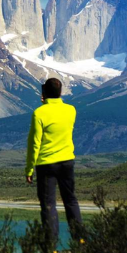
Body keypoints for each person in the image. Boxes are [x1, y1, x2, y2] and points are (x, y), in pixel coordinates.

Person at [25, 78, 83, 240]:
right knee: (71, 200)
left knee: (48, 204)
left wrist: (29, 168)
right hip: (67, 162)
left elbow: (34, 143)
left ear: (44, 93)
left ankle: (50, 246)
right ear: (60, 92)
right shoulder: (71, 110)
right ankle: (81, 241)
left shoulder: (39, 113)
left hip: (46, 164)